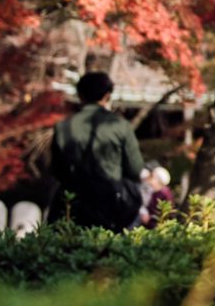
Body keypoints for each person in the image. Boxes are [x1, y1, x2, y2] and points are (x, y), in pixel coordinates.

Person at [49, 71, 146, 230]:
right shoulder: (120, 126)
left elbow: (58, 170)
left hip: (74, 201)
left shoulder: (63, 127)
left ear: (80, 95)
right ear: (107, 96)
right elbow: (135, 169)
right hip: (111, 202)